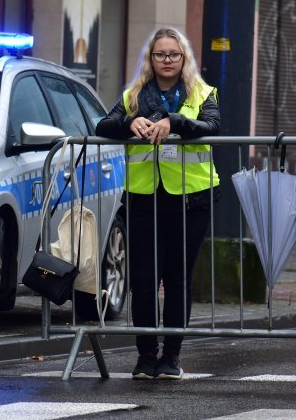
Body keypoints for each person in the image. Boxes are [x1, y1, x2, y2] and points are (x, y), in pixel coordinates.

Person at [95, 27, 221, 380]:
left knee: (178, 280)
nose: (167, 60)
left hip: (190, 201)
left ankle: (172, 357)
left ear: (185, 59)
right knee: (144, 281)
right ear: (150, 59)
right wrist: (127, 121)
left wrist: (176, 121)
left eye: (174, 55)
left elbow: (212, 126)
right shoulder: (133, 95)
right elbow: (103, 124)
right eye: (160, 54)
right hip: (143, 199)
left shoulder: (202, 92)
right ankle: (146, 356)